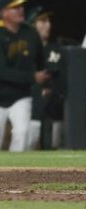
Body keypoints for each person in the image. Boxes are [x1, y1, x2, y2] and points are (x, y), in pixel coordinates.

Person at [0, 0, 47, 152]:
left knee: (23, 133)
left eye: (21, 6)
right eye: (14, 7)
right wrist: (32, 77)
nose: (20, 10)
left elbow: (40, 58)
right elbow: (0, 72)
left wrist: (42, 76)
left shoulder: (30, 32)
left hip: (20, 96)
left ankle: (15, 175)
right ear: (3, 13)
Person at [28, 8, 64, 150]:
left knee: (54, 148)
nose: (48, 25)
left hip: (54, 112)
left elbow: (63, 79)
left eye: (49, 21)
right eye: (43, 21)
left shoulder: (57, 49)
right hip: (30, 111)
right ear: (32, 24)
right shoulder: (24, 50)